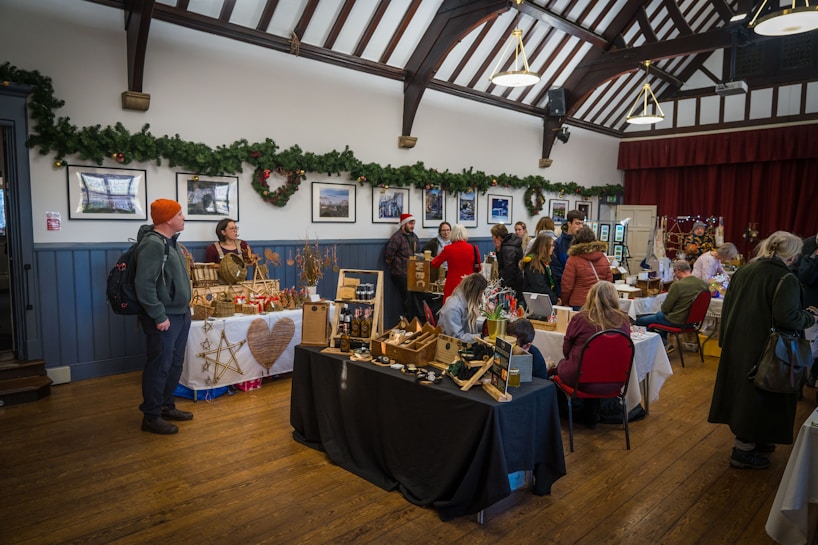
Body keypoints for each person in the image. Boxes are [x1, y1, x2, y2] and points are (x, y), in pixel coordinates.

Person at [708, 231, 817, 469]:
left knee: (745, 396)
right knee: (760, 397)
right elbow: (788, 317)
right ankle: (744, 451)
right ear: (792, 255)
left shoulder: (745, 270)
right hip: (767, 350)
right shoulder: (785, 278)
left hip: (739, 345)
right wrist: (810, 316)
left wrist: (725, 341)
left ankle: (758, 440)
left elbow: (727, 308)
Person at [134, 199, 193, 435]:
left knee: (175, 364)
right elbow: (144, 285)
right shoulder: (153, 244)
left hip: (180, 314)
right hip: (164, 316)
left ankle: (167, 406)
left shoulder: (172, 242)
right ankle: (151, 416)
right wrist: (159, 316)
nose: (183, 217)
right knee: (159, 366)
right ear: (168, 219)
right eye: (179, 214)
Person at [554, 281, 631, 426]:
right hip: (615, 381)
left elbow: (566, 351)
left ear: (590, 297)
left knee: (558, 366)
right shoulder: (624, 320)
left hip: (581, 381)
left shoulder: (580, 319)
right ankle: (593, 414)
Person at [635, 260, 708, 351]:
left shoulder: (678, 285)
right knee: (659, 316)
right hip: (692, 321)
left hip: (676, 320)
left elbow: (665, 308)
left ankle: (658, 346)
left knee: (640, 320)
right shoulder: (702, 284)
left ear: (677, 270)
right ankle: (663, 342)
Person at [560, 226, 612, 309]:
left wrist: (565, 301)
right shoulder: (603, 257)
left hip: (579, 303)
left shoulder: (573, 259)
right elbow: (608, 281)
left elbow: (567, 285)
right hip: (599, 302)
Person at [384, 213, 421, 319]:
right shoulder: (396, 238)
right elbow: (388, 256)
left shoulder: (414, 237)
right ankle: (408, 322)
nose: (412, 226)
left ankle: (415, 322)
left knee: (416, 299)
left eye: (413, 223)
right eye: (410, 223)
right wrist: (397, 267)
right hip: (401, 273)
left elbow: (417, 253)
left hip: (413, 272)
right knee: (408, 300)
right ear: (403, 224)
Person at [430, 223, 480, 301]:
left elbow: (434, 263)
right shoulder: (474, 248)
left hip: (452, 285)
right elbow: (478, 268)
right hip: (469, 284)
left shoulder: (448, 249)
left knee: (450, 308)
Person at [437, 273, 488, 343]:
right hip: (450, 348)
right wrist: (480, 337)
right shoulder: (453, 308)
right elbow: (457, 338)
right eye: (481, 293)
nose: (481, 296)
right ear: (474, 293)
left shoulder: (464, 301)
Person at [795, 233, 818, 388]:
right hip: (812, 305)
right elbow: (804, 276)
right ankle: (800, 381)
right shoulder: (808, 245)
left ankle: (814, 375)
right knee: (807, 347)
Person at [551, 210, 585, 297]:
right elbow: (556, 270)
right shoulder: (558, 244)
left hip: (583, 290)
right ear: (569, 224)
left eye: (582, 223)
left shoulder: (585, 243)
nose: (580, 227)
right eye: (577, 223)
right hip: (565, 290)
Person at [520, 234, 558, 305]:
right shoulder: (533, 263)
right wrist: (554, 299)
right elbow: (540, 286)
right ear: (544, 247)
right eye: (551, 245)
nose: (553, 248)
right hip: (535, 302)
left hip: (544, 301)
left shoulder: (545, 262)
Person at [491, 223, 524, 304]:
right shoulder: (509, 244)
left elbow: (509, 270)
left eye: (493, 236)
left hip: (513, 285)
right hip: (517, 281)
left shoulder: (508, 249)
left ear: (498, 237)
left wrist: (504, 288)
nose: (492, 239)